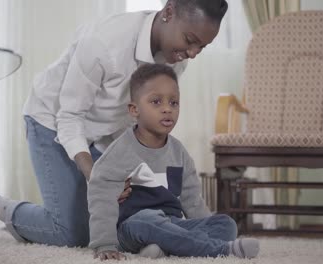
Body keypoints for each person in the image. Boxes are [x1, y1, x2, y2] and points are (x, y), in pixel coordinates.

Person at [0, 0, 228, 247]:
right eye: (190, 41)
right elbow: (69, 117)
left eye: (201, 47)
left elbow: (140, 119)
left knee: (119, 220)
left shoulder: (175, 59)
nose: (193, 53)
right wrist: (97, 176)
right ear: (169, 12)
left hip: (106, 134)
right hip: (53, 122)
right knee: (72, 233)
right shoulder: (104, 42)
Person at [88, 64, 260, 260]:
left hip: (172, 224)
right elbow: (101, 198)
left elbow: (192, 201)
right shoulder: (120, 151)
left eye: (174, 103)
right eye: (156, 102)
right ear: (134, 109)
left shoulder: (179, 152)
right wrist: (105, 244)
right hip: (132, 227)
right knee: (148, 219)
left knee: (225, 224)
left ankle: (164, 248)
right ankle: (220, 250)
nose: (167, 109)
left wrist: (204, 224)